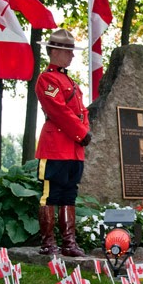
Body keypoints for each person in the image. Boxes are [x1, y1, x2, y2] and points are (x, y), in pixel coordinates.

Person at [35, 29, 91, 257]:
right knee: (51, 194)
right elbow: (58, 111)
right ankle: (48, 243)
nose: (72, 56)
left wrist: (85, 130)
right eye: (69, 51)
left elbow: (82, 112)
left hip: (74, 150)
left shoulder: (70, 81)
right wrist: (81, 132)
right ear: (55, 51)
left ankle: (69, 244)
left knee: (69, 194)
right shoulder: (47, 79)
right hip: (55, 147)